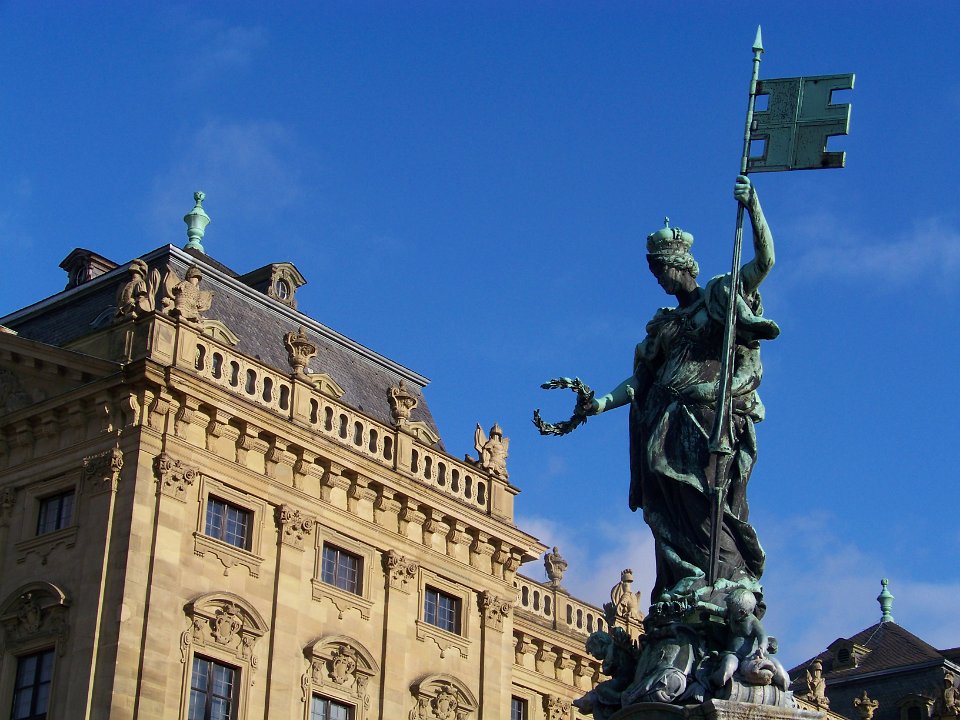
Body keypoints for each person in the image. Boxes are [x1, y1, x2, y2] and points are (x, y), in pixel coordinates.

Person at [587, 176, 779, 604]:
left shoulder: (719, 296)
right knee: (664, 496)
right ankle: (687, 575)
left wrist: (753, 206)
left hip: (705, 416)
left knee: (705, 496)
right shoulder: (664, 324)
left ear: (682, 265)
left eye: (662, 271)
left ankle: (722, 572)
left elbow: (765, 261)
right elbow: (642, 381)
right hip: (664, 419)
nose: (659, 280)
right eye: (655, 273)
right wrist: (597, 405)